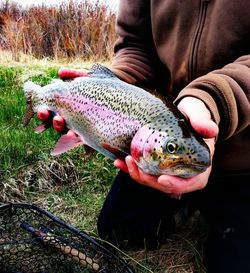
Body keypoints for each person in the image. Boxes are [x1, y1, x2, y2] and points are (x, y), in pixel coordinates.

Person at [37, 1, 250, 272]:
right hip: (165, 133)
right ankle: (183, 200)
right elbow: (136, 45)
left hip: (242, 158)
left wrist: (213, 100)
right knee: (120, 230)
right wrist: (115, 83)